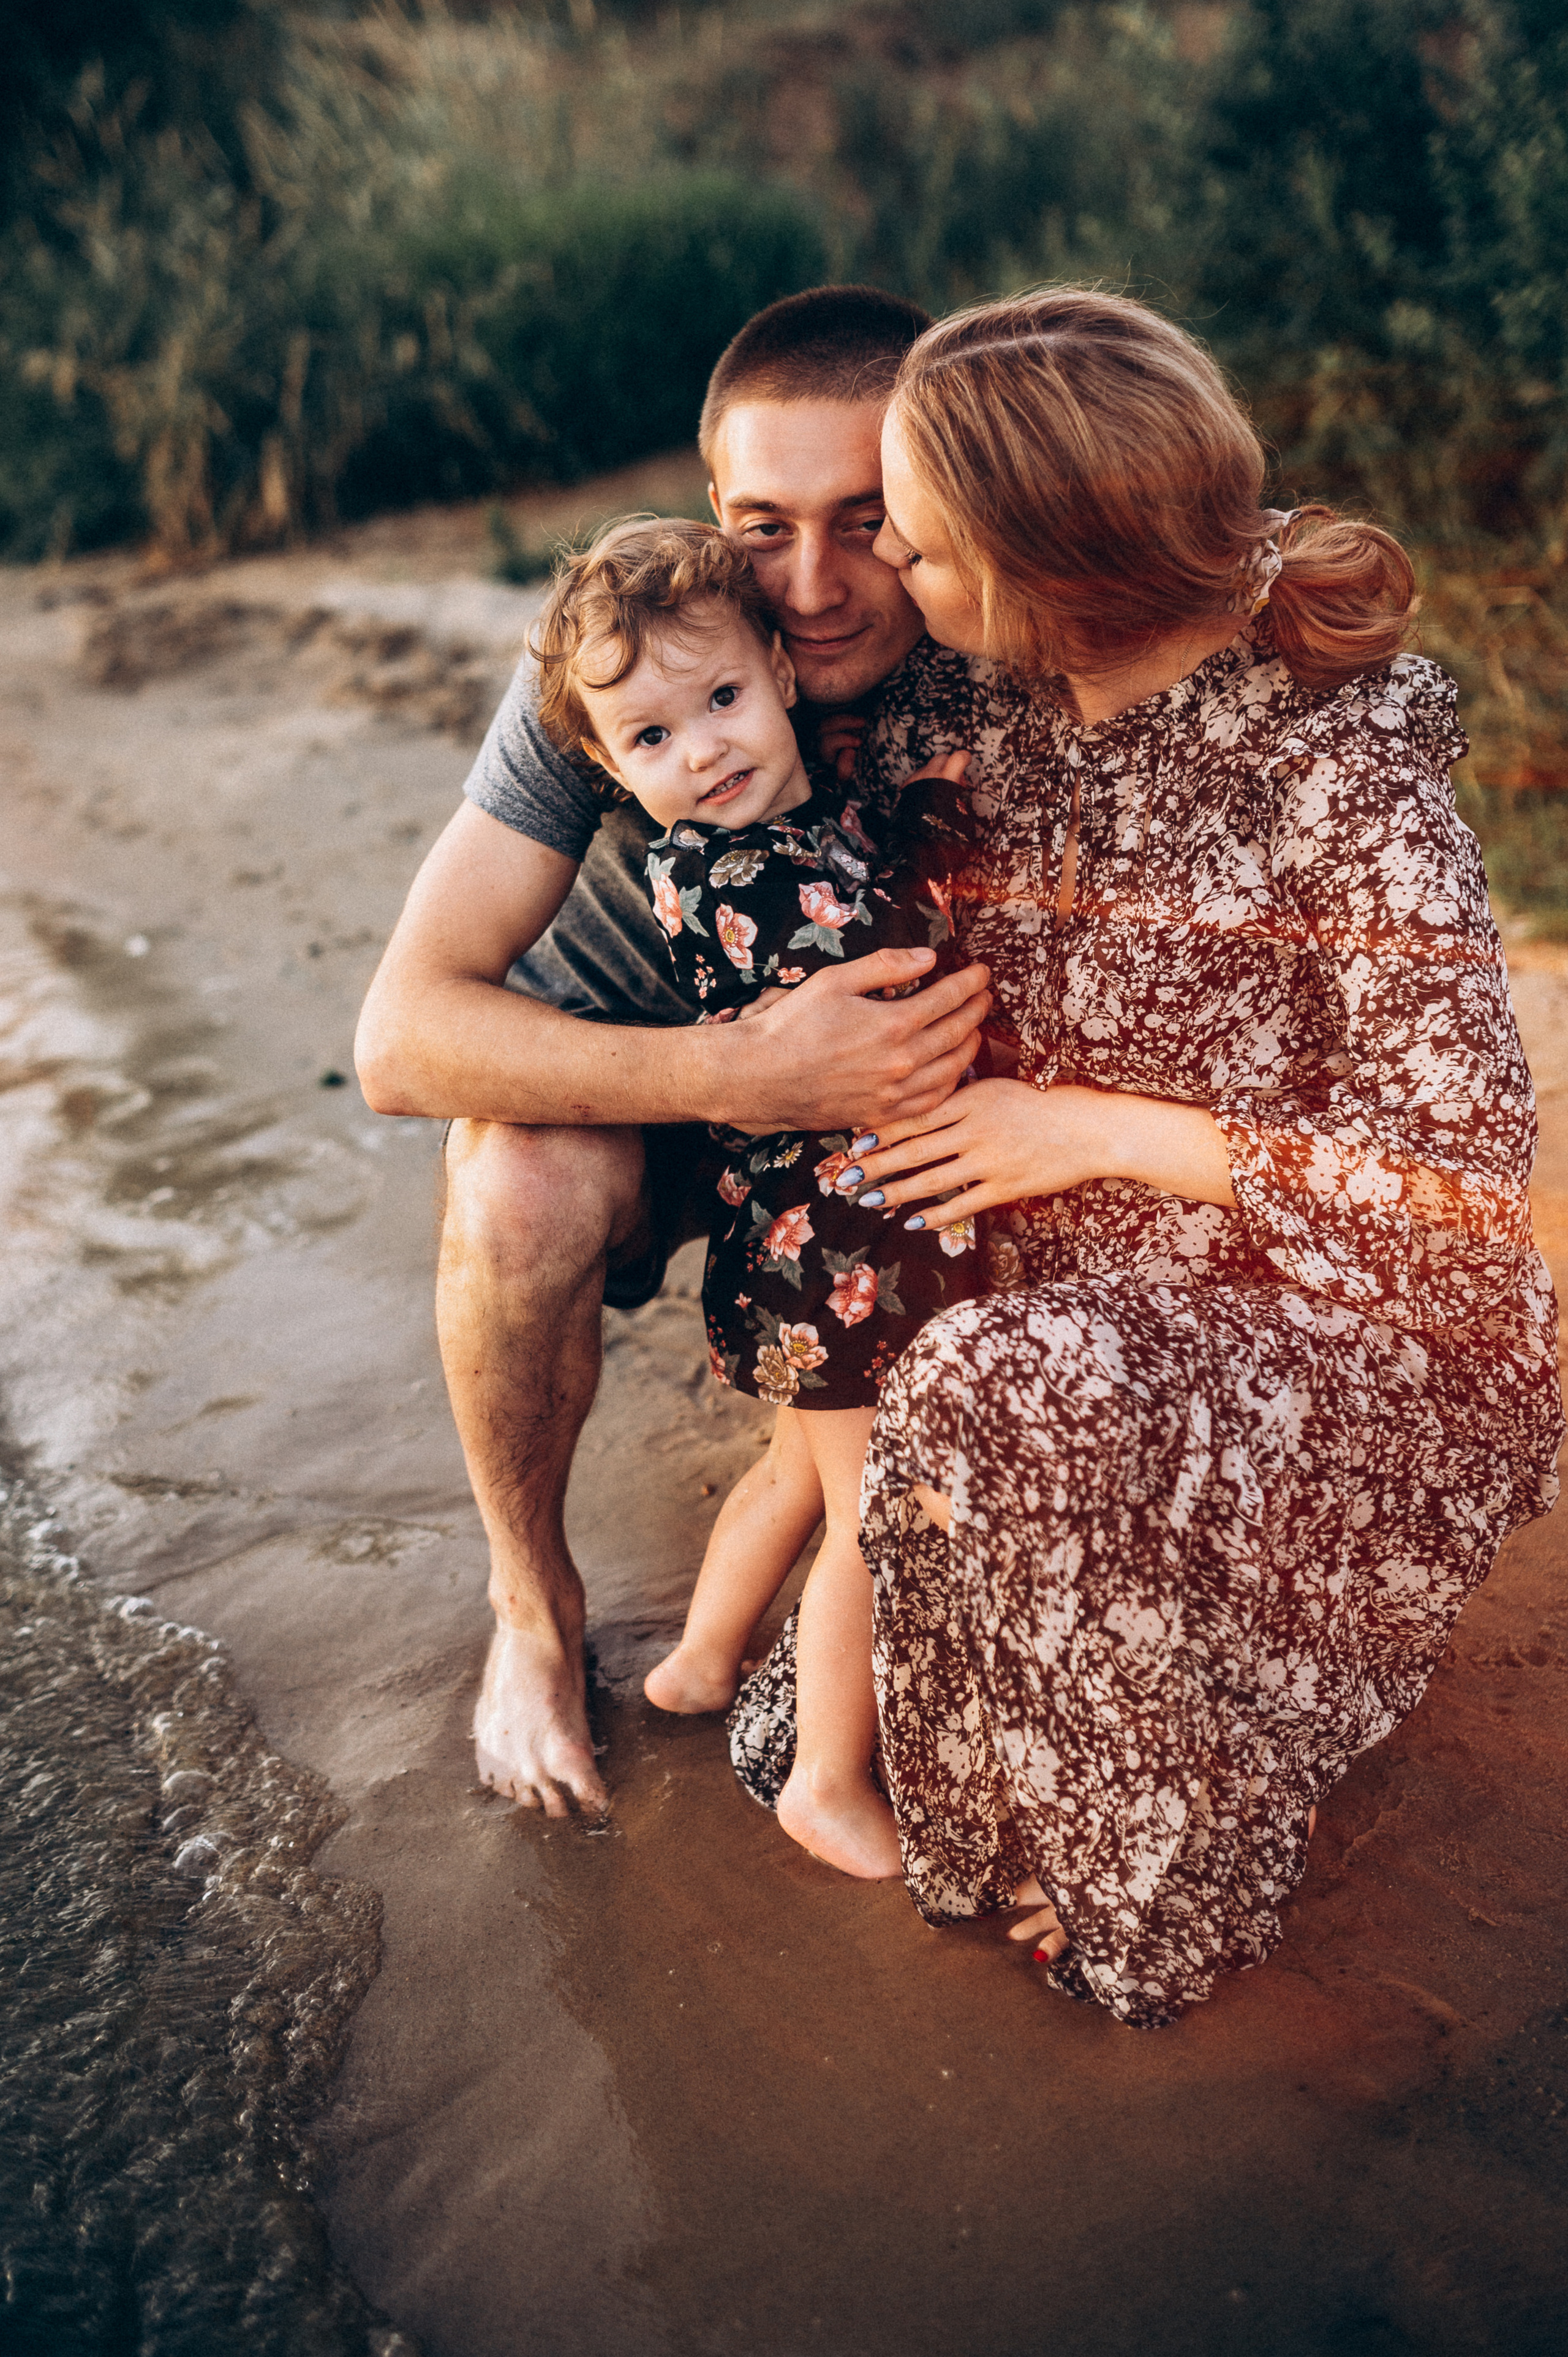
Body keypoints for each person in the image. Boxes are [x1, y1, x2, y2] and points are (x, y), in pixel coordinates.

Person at [727, 287, 1566, 2024]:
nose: (893, 585)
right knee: (922, 1354)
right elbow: (663, 690)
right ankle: (1017, 1744)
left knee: (1006, 1380)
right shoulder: (993, 710)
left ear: (1055, 563)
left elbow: (1466, 1183)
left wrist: (1090, 1131)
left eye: (924, 548)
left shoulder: (1340, 758)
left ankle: (1158, 1890)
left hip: (1346, 1342)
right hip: (1067, 1297)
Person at [354, 287, 1009, 1817]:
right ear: (718, 510)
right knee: (512, 1186)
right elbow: (400, 1037)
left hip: (864, 1142)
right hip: (642, 1107)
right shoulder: (628, 652)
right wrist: (736, 1077)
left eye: (869, 521)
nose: (818, 583)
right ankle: (531, 1609)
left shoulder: (988, 638)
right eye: (768, 525)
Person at [527, 511, 983, 1874]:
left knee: (796, 1468)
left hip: (825, 1241)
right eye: (652, 740)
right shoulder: (721, 874)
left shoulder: (802, 820)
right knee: (869, 1512)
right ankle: (825, 1782)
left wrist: (909, 807)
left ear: (781, 677)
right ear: (610, 769)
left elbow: (859, 855)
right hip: (832, 1255)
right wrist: (943, 841)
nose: (704, 750)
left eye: (721, 698)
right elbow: (875, 942)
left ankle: (698, 1661)